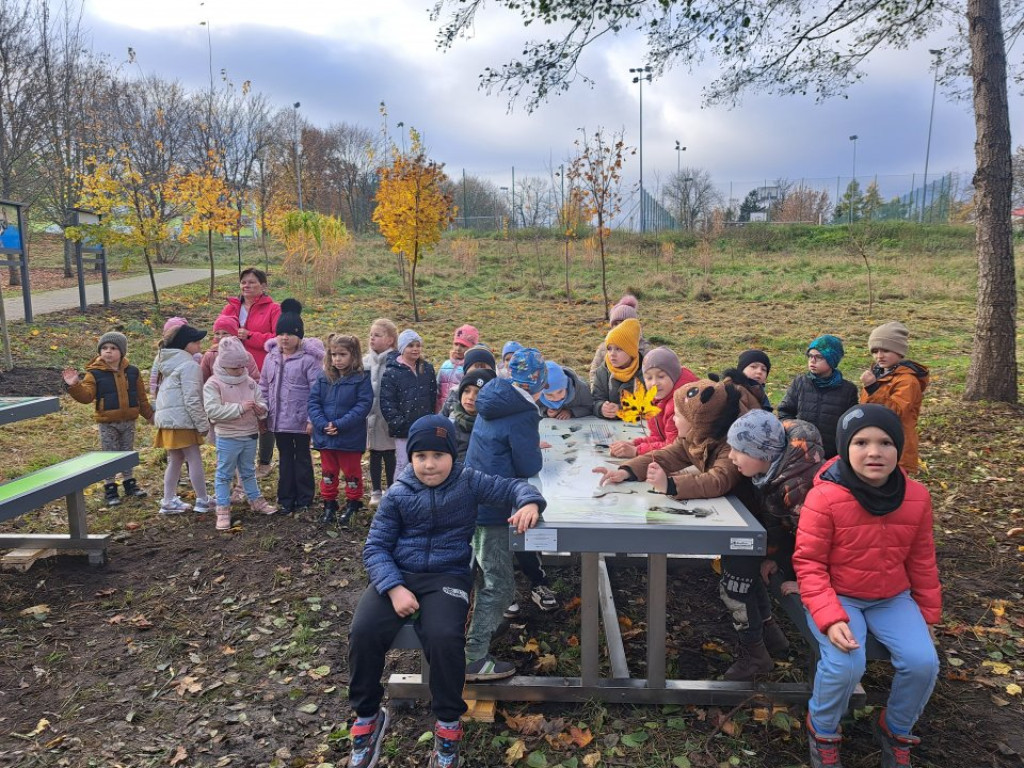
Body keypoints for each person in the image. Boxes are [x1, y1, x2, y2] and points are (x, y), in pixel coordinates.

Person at [346, 415, 545, 768]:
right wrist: (393, 589)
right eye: (421, 456)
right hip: (397, 576)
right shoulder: (398, 494)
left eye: (438, 455)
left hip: (447, 577)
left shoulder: (468, 481)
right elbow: (375, 548)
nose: (429, 464)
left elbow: (513, 486)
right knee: (363, 632)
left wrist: (529, 502)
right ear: (411, 458)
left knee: (444, 637)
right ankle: (367, 716)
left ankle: (448, 725)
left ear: (453, 455)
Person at [794, 404, 940, 768]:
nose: (874, 452)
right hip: (839, 595)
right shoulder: (825, 496)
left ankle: (895, 728)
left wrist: (927, 618)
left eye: (886, 442)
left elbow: (921, 560)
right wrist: (830, 616)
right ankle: (823, 730)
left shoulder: (917, 496)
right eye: (861, 442)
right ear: (845, 447)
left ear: (899, 448)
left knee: (923, 662)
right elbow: (809, 563)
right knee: (846, 663)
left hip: (892, 597)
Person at [464, 348, 549, 675]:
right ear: (537, 384)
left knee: (485, 573)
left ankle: (483, 625)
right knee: (499, 585)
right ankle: (474, 656)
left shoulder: (494, 397)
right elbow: (528, 463)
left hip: (477, 497)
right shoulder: (524, 412)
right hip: (496, 508)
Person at [724, 410, 824, 679]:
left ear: (763, 454)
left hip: (825, 568)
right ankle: (769, 636)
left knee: (736, 581)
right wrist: (774, 556)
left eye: (738, 450)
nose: (731, 457)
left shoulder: (799, 487)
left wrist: (805, 581)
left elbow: (819, 543)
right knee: (742, 565)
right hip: (794, 552)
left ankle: (756, 654)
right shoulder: (775, 473)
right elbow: (778, 524)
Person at [64, 331, 154, 506]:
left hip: (128, 421)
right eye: (104, 348)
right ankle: (110, 487)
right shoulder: (94, 374)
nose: (108, 351)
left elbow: (141, 397)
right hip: (107, 422)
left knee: (127, 452)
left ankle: (129, 483)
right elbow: (87, 396)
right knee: (109, 453)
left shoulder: (133, 372)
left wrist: (149, 415)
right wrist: (75, 385)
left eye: (113, 348)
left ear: (122, 352)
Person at [202, 337, 276, 530]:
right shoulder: (213, 384)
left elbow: (261, 401)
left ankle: (255, 500)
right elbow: (213, 411)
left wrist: (262, 410)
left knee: (248, 471)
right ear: (224, 365)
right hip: (228, 436)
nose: (240, 371)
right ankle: (223, 508)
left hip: (250, 434)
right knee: (224, 474)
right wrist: (239, 409)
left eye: (242, 366)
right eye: (235, 368)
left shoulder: (250, 382)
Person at [259, 299, 325, 515]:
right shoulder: (271, 358)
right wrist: (264, 412)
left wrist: (310, 419)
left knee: (303, 457)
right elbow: (264, 386)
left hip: (300, 420)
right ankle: (286, 497)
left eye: (290, 334)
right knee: (285, 458)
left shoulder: (309, 360)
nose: (285, 338)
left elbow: (317, 391)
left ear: (299, 336)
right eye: (281, 334)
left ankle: (305, 497)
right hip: (278, 420)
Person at [217, 268, 281, 478]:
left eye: (252, 282)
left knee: (263, 412)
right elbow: (219, 333)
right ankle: (239, 462)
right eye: (243, 282)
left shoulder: (273, 309)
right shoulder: (231, 308)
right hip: (232, 372)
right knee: (238, 412)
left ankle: (264, 461)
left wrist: (251, 336)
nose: (246, 286)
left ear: (263, 286)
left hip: (261, 368)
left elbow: (278, 338)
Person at [309, 333, 374, 526]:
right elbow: (313, 402)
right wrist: (322, 424)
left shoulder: (361, 379)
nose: (337, 359)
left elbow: (363, 406)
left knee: (351, 471)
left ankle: (353, 502)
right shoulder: (323, 378)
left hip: (349, 437)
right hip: (325, 436)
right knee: (328, 472)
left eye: (342, 354)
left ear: (353, 355)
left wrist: (340, 424)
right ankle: (329, 503)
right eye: (334, 354)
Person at [152, 324, 214, 515]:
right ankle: (203, 499)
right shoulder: (189, 366)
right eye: (196, 341)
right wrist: (203, 424)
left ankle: (168, 500)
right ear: (185, 345)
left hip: (169, 420)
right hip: (183, 420)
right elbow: (192, 398)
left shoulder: (168, 363)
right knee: (193, 458)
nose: (200, 344)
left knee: (175, 459)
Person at [859, 321, 930, 475]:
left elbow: (896, 411)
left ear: (899, 352)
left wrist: (873, 388)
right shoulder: (877, 374)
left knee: (894, 486)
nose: (879, 356)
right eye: (875, 351)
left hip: (898, 447)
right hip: (876, 442)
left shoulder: (908, 381)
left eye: (886, 350)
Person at [777, 335, 858, 459]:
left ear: (832, 359)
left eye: (819, 357)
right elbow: (785, 413)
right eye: (810, 356)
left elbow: (851, 425)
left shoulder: (848, 390)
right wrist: (795, 434)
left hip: (832, 455)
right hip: (800, 452)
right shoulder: (800, 383)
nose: (812, 360)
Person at [608, 347, 697, 457]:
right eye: (649, 378)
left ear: (674, 375)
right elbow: (659, 437)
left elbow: (675, 447)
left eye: (661, 376)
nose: (655, 383)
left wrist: (636, 451)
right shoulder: (657, 399)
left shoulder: (680, 404)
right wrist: (634, 443)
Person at [378, 329, 437, 480]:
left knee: (422, 461)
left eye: (418, 345)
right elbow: (387, 403)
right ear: (403, 348)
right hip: (403, 428)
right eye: (411, 345)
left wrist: (430, 419)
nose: (415, 349)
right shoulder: (392, 372)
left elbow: (432, 396)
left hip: (423, 426)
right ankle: (398, 493)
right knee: (403, 463)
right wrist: (400, 424)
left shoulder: (427, 369)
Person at [363, 318, 399, 508]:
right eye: (370, 335)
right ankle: (376, 490)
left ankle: (392, 487)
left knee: (390, 454)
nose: (372, 338)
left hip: (388, 418)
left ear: (390, 340)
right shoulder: (365, 361)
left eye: (377, 335)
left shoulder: (397, 362)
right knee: (374, 453)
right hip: (370, 417)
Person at [588, 295, 653, 386]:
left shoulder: (643, 349)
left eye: (623, 322)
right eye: (616, 323)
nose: (619, 326)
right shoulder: (605, 347)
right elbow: (594, 372)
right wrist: (597, 396)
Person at [591, 317, 644, 419]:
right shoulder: (602, 371)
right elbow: (595, 399)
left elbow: (650, 404)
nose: (612, 354)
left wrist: (621, 410)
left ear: (631, 351)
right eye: (609, 349)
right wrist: (601, 408)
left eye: (618, 349)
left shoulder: (645, 371)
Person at [450, 369, 496, 460]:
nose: (470, 397)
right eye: (466, 391)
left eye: (478, 393)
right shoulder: (449, 424)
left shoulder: (494, 427)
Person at [200, 315, 259, 383]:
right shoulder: (210, 355)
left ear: (234, 335)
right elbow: (202, 380)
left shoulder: (246, 355)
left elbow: (255, 380)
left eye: (225, 333)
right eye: (217, 333)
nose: (220, 336)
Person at [440, 346, 496, 416]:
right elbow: (442, 418)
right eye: (476, 366)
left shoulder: (496, 397)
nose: (480, 370)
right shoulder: (455, 392)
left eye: (483, 366)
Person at [436, 323, 479, 411]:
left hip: (458, 411)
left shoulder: (471, 369)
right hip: (441, 409)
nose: (458, 348)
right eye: (456, 344)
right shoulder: (445, 365)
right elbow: (438, 387)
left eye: (463, 346)